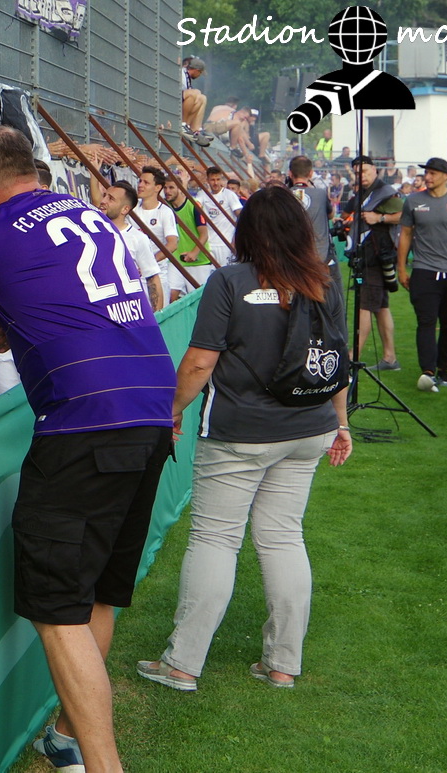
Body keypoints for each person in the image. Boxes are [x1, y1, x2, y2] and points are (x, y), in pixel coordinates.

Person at [0, 125, 175, 773]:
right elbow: (74, 298)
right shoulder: (84, 211)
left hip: (84, 422)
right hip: (150, 409)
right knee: (97, 593)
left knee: (56, 611)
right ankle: (67, 735)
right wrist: (14, 316)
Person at [136, 184, 351, 693]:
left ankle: (183, 663)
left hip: (241, 433)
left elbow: (199, 362)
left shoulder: (230, 281)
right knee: (283, 537)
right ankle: (283, 664)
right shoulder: (323, 282)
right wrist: (341, 423)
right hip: (309, 428)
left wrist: (171, 410)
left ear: (247, 230)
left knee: (216, 538)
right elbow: (336, 361)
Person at [397, 157, 447, 392]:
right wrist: (401, 267)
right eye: (427, 173)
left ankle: (444, 370)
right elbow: (405, 235)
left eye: (433, 173)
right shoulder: (413, 201)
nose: (428, 177)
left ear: (446, 176)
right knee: (426, 321)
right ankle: (428, 372)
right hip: (423, 270)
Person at [344, 155, 402, 370]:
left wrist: (380, 218)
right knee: (381, 307)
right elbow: (348, 212)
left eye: (365, 171)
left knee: (365, 306)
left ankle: (352, 357)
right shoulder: (361, 194)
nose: (361, 176)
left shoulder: (385, 191)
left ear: (374, 170)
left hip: (376, 256)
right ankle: (390, 358)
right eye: (357, 173)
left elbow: (404, 215)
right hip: (368, 256)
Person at [98, 181, 164, 311]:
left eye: (111, 199)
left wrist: (157, 315)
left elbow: (152, 278)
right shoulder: (90, 232)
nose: (103, 201)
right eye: (104, 195)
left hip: (127, 311)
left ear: (125, 209)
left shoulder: (137, 238)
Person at [288, 155, 338, 292]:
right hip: (320, 255)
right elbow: (331, 215)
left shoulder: (284, 194)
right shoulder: (320, 194)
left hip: (294, 256)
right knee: (327, 294)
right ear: (310, 173)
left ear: (290, 174)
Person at [163, 175, 211, 301]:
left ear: (180, 188)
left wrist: (194, 253)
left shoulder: (194, 205)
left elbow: (204, 234)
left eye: (171, 188)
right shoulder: (165, 207)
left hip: (198, 262)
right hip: (176, 260)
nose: (167, 191)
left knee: (199, 300)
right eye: (165, 188)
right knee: (170, 295)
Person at [135, 165, 179, 301]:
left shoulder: (165, 212)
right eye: (140, 181)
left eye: (146, 182)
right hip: (134, 275)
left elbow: (172, 244)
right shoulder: (132, 208)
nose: (140, 185)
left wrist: (148, 262)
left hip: (156, 274)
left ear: (157, 187)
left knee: (159, 313)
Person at [195, 166, 242, 265]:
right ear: (207, 180)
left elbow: (241, 217)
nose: (215, 183)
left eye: (218, 179)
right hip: (208, 244)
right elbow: (194, 208)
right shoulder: (202, 194)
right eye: (212, 180)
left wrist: (235, 240)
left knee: (225, 272)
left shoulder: (229, 195)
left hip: (225, 244)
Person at [180, 56, 207, 133]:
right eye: (200, 73)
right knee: (194, 93)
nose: (199, 75)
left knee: (202, 98)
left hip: (181, 99)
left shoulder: (187, 77)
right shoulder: (182, 74)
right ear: (196, 70)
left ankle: (194, 128)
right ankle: (182, 124)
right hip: (173, 100)